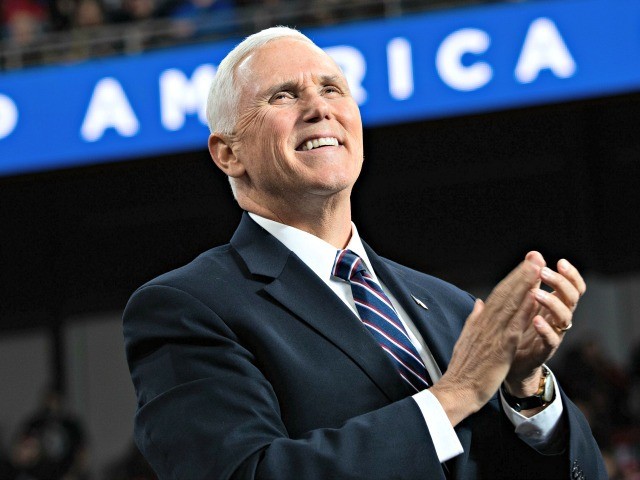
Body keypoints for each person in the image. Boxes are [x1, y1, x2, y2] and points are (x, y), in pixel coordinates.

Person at [123, 26, 606, 479]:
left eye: (333, 89)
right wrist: (454, 395)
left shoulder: (451, 307)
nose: (319, 108)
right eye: (284, 95)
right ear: (228, 153)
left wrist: (525, 391)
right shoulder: (185, 307)